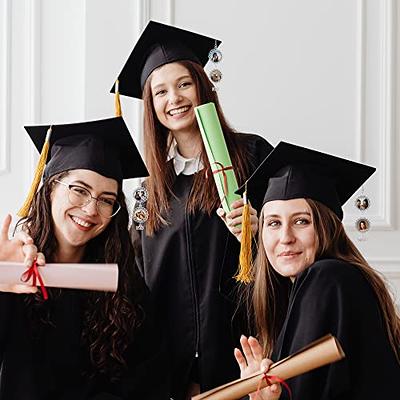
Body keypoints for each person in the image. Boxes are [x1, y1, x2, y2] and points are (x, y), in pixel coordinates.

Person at [112, 21, 273, 399]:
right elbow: (138, 278)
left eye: (184, 84)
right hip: (171, 363)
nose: (174, 99)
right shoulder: (148, 189)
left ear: (203, 86)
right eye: (160, 92)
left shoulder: (250, 156)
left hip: (243, 348)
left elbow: (293, 242)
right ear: (151, 106)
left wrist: (259, 230)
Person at [0, 117, 169, 399]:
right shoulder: (16, 271)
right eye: (79, 190)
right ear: (51, 188)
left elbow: (150, 381)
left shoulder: (125, 287)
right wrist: (2, 281)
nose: (91, 209)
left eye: (106, 200)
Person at [234, 142, 400, 399]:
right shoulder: (340, 281)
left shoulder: (328, 278)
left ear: (327, 226)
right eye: (274, 223)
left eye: (301, 221)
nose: (285, 237)